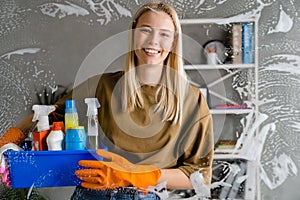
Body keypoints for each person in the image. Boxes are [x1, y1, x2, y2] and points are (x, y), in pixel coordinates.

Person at [0, 2, 214, 199]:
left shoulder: (191, 100)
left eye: (164, 34)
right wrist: (8, 143)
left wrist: (129, 175)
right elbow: (47, 116)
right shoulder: (102, 86)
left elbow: (198, 176)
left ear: (174, 41)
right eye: (145, 30)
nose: (153, 41)